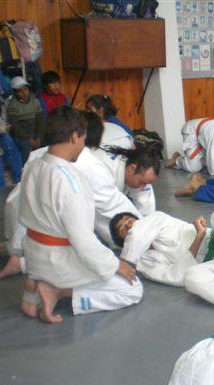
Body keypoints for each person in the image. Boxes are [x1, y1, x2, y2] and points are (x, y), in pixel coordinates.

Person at [18, 106, 143, 323]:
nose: (83, 146)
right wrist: (115, 265)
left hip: (33, 255)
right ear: (75, 136)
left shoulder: (33, 165)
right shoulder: (70, 180)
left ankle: (35, 289)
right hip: (59, 261)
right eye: (83, 140)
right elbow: (83, 242)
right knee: (132, 289)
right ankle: (56, 291)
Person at [6, 76, 44, 163]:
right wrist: (30, 140)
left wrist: (38, 137)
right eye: (20, 91)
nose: (24, 93)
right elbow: (16, 127)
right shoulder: (13, 105)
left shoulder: (35, 101)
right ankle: (25, 170)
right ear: (15, 93)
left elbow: (40, 120)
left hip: (36, 133)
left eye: (25, 89)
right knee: (26, 148)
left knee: (45, 146)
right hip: (22, 136)